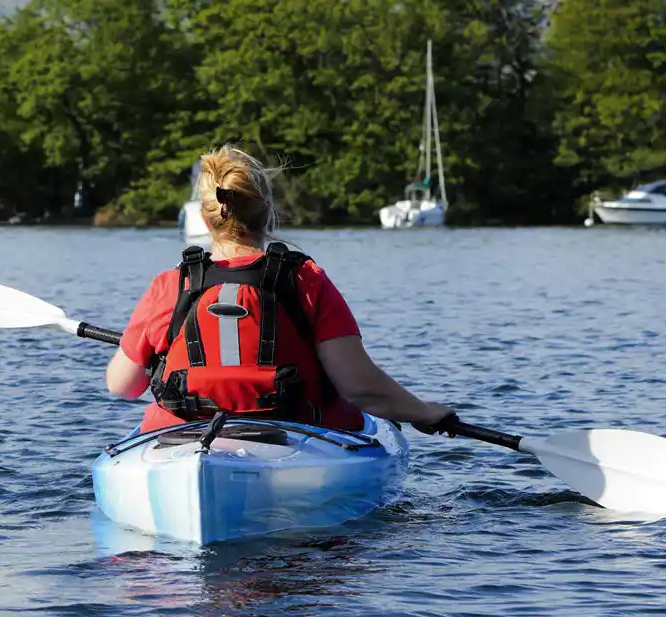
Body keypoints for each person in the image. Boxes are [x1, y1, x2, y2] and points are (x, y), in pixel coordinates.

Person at [105, 145, 453, 434]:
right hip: (295, 437)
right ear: (267, 210)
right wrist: (423, 412)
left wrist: (155, 357)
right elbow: (361, 389)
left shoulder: (170, 285)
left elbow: (123, 385)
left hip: (181, 440)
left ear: (206, 216)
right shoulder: (306, 280)